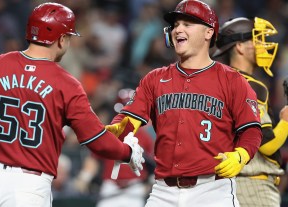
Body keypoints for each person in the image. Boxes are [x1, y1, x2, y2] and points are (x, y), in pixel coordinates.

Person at [0, 3, 144, 207]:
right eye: (67, 37)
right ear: (60, 39)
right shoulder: (67, 84)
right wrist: (126, 152)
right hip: (29, 188)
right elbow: (97, 141)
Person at [105, 0, 262, 206]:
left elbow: (251, 130)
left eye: (187, 24)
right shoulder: (155, 78)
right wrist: (121, 127)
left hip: (212, 190)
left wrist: (241, 155)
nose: (178, 29)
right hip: (163, 191)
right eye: (176, 24)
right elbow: (130, 117)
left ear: (208, 33)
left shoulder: (232, 80)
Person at [213, 17, 288, 207]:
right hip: (252, 186)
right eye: (256, 40)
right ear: (239, 46)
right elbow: (268, 145)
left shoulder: (219, 81)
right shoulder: (250, 85)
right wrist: (286, 120)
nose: (262, 45)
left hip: (225, 185)